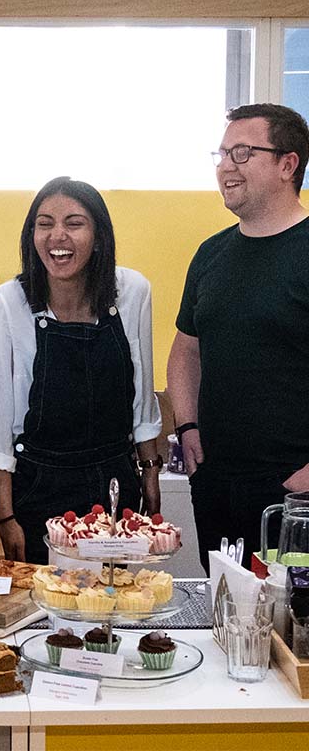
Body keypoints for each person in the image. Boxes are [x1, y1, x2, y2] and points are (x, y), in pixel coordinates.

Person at [0, 176, 162, 563]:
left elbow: (142, 397)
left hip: (114, 486)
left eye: (74, 223)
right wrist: (5, 516)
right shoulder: (8, 303)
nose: (57, 236)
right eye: (44, 224)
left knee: (116, 603)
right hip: (36, 489)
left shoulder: (133, 292)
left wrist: (150, 474)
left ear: (99, 235)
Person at [168, 103, 309, 574]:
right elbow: (187, 350)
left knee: (290, 636)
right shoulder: (211, 254)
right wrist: (187, 426)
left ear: (288, 164)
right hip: (216, 483)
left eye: (243, 152)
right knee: (226, 622)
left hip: (295, 491)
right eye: (223, 152)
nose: (226, 166)